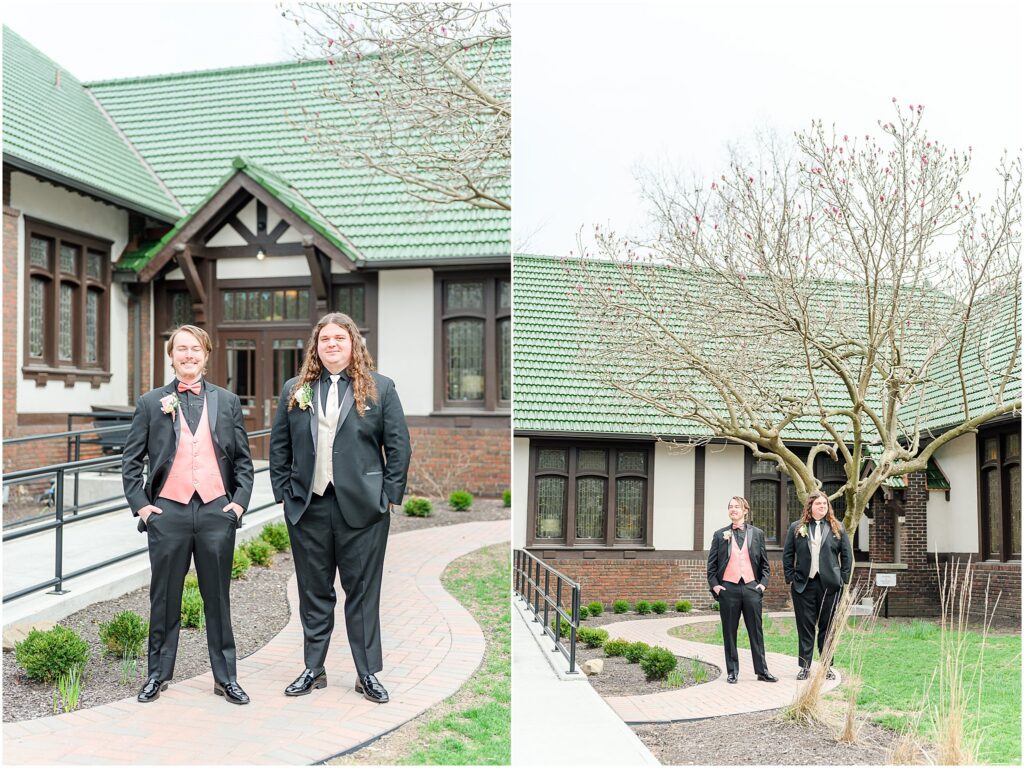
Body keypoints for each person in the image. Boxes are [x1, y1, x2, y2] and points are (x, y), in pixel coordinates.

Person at [269, 313, 411, 703]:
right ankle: (313, 669)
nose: (332, 344)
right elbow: (279, 446)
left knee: (362, 593)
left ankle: (367, 674)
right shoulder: (295, 390)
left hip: (364, 511)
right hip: (308, 507)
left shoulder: (381, 388)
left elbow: (398, 447)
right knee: (313, 592)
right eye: (325, 339)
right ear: (316, 346)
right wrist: (284, 492)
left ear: (353, 344)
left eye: (339, 338)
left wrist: (388, 497)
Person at [122, 324, 254, 705]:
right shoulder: (151, 403)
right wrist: (144, 508)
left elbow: (243, 460)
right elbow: (131, 463)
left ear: (207, 354)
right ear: (172, 355)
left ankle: (226, 678)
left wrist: (238, 503)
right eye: (181, 349)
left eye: (195, 349)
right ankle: (157, 676)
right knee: (164, 598)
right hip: (168, 512)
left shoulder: (228, 401)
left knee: (218, 598)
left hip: (216, 510)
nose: (189, 355)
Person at [782, 490, 854, 679]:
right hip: (803, 586)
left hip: (830, 586)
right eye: (818, 504)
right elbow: (788, 554)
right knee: (805, 626)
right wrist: (790, 577)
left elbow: (847, 556)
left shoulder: (837, 528)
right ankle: (804, 667)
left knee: (827, 627)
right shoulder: (796, 528)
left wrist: (843, 579)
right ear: (810, 507)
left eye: (824, 504)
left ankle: (826, 666)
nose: (822, 506)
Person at [706, 496, 778, 684]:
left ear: (745, 510)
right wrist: (716, 587)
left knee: (756, 631)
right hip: (728, 588)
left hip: (751, 587)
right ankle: (732, 671)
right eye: (730, 507)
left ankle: (762, 671)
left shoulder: (758, 534)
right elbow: (711, 566)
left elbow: (764, 564)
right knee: (729, 632)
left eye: (737, 506)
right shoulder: (719, 534)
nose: (733, 509)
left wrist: (762, 585)